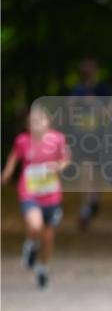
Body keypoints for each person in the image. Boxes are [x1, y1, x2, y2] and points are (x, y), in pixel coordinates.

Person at [1, 105, 69, 289]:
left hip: (51, 194)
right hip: (29, 191)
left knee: (47, 236)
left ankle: (42, 268)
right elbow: (14, 156)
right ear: (27, 124)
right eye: (32, 121)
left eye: (40, 120)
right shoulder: (22, 141)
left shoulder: (57, 139)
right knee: (35, 224)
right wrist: (7, 172)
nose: (36, 124)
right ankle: (30, 245)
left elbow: (65, 159)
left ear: (48, 122)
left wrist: (58, 166)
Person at [67, 58, 112, 231]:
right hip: (82, 137)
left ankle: (94, 200)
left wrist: (95, 104)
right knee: (85, 170)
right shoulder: (77, 90)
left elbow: (110, 114)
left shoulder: (103, 89)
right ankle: (86, 206)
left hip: (100, 137)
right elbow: (69, 113)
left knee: (97, 173)